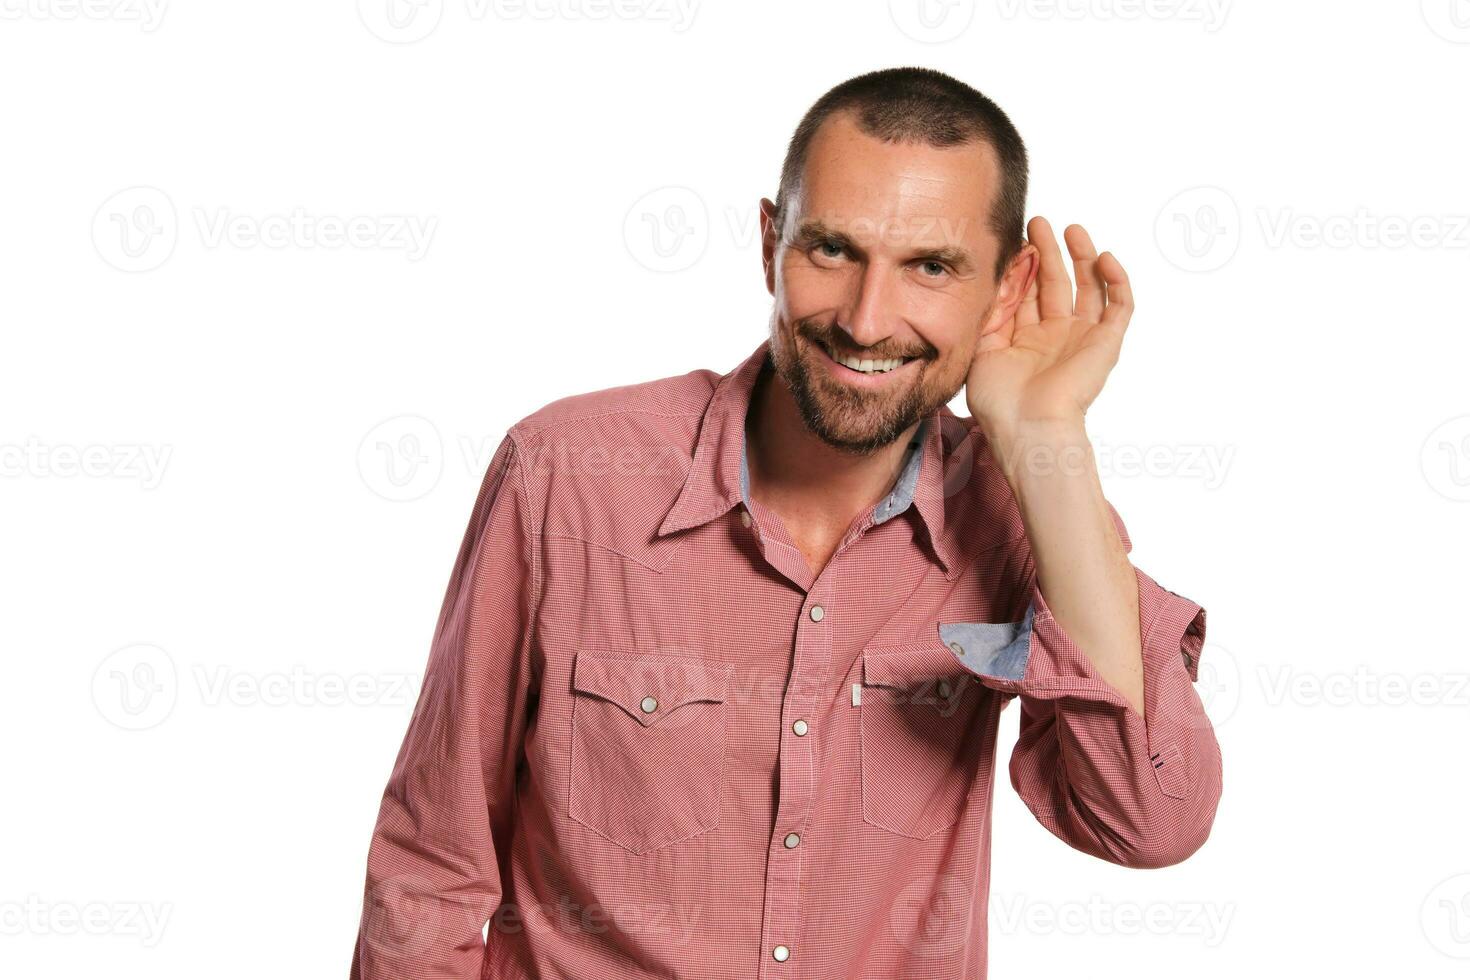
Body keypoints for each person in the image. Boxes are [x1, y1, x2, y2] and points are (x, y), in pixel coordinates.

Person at [349, 65, 1221, 979]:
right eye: (832, 251)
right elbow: (432, 865)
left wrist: (1047, 437)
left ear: (1008, 289)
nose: (868, 320)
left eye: (931, 265)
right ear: (771, 243)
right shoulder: (568, 474)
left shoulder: (1026, 511)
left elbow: (1149, 820)